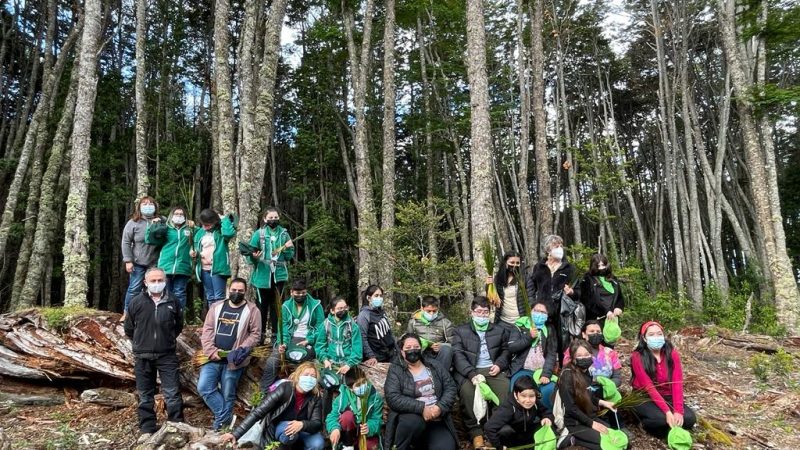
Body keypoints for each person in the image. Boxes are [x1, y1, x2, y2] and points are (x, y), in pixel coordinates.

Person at [123, 267, 184, 435]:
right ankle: (147, 428)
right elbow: (129, 328)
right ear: (145, 282)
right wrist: (140, 342)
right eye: (153, 281)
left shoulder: (173, 301)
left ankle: (176, 427)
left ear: (165, 281)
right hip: (142, 355)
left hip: (167, 355)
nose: (157, 284)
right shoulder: (136, 302)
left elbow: (178, 326)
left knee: (172, 392)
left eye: (160, 280)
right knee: (144, 394)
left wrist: (167, 340)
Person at [198, 278, 262, 430]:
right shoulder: (216, 307)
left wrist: (241, 350)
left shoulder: (252, 310)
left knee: (228, 393)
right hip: (213, 358)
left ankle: (220, 426)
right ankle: (225, 418)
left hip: (235, 360)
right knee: (204, 387)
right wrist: (211, 351)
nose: (236, 293)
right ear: (228, 289)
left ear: (245, 291)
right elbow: (207, 330)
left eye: (240, 291)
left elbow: (255, 334)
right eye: (233, 290)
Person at [221, 362, 324, 450]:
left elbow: (317, 423)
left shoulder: (315, 397)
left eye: (313, 376)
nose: (309, 378)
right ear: (298, 376)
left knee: (318, 443)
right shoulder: (284, 388)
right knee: (289, 433)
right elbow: (258, 412)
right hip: (280, 428)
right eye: (306, 374)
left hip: (302, 429)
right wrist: (235, 434)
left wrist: (302, 424)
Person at [451, 296, 511, 449]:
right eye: (479, 312)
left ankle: (494, 430)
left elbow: (505, 351)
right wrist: (471, 374)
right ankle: (476, 433)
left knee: (504, 388)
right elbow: (458, 355)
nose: (482, 316)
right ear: (471, 312)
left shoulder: (499, 330)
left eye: (485, 312)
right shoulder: (460, 331)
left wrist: (499, 364)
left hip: (492, 369)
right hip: (470, 371)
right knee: (467, 393)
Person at [384, 333, 458, 450]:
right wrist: (422, 408)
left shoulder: (434, 365)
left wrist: (439, 407)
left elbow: (450, 387)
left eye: (416, 347)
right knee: (412, 423)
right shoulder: (396, 369)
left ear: (421, 348)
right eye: (408, 348)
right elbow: (392, 397)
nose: (412, 350)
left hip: (436, 419)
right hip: (411, 418)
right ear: (402, 352)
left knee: (446, 447)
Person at [631, 321, 696, 440]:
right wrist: (667, 412)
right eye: (651, 335)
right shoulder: (637, 356)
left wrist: (678, 411)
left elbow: (677, 383)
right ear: (644, 338)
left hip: (667, 396)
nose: (656, 337)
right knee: (660, 419)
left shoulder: (672, 354)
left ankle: (667, 428)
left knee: (689, 418)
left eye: (659, 334)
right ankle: (643, 423)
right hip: (644, 397)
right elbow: (648, 387)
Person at [260, 280, 324, 391]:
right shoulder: (286, 306)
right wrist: (283, 343)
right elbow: (283, 328)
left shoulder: (316, 305)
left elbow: (321, 327)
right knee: (273, 361)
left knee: (302, 359)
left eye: (303, 293)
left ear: (306, 292)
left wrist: (309, 340)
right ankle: (264, 392)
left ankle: (299, 390)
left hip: (308, 339)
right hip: (290, 339)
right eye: (297, 293)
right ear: (291, 292)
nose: (300, 295)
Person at [556, 339, 619, 450]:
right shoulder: (567, 376)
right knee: (606, 446)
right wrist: (592, 424)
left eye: (586, 354)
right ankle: (571, 437)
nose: (584, 358)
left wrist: (604, 403)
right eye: (579, 355)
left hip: (589, 416)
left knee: (615, 438)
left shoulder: (587, 372)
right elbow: (571, 408)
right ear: (573, 358)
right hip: (575, 422)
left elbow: (589, 394)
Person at [525, 234, 575, 362]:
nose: (559, 248)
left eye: (560, 246)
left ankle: (564, 368)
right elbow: (531, 287)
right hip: (542, 311)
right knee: (545, 340)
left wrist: (572, 292)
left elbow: (578, 290)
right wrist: (533, 304)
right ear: (548, 250)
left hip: (562, 312)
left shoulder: (568, 268)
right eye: (555, 246)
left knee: (563, 341)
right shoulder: (539, 267)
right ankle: (545, 367)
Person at [248, 208, 295, 340]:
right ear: (265, 219)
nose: (273, 220)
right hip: (262, 276)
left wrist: (287, 248)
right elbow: (250, 254)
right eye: (270, 218)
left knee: (277, 306)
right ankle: (259, 336)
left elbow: (289, 255)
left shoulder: (284, 234)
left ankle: (276, 336)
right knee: (261, 306)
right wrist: (254, 256)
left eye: (275, 217)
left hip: (278, 275)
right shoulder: (259, 234)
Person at [507, 302, 558, 410]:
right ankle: (522, 419)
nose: (539, 314)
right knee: (520, 391)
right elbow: (512, 347)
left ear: (547, 315)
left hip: (541, 371)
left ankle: (546, 418)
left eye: (543, 312)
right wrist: (529, 337)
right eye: (536, 311)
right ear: (531, 311)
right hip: (522, 370)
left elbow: (551, 354)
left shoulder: (549, 329)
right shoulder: (520, 325)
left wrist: (546, 374)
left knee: (549, 390)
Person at [484, 376, 554, 449]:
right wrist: (499, 446)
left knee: (547, 425)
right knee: (505, 430)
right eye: (523, 396)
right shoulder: (508, 408)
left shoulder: (535, 403)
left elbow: (546, 411)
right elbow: (489, 427)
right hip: (511, 438)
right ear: (516, 394)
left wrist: (547, 418)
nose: (528, 400)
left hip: (526, 434)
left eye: (531, 396)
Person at [145, 207, 194, 309]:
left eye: (181, 214)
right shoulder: (165, 228)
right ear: (171, 216)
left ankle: (179, 316)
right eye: (176, 214)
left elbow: (200, 237)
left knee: (180, 292)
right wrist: (152, 226)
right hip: (166, 266)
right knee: (166, 292)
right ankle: (165, 315)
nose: (179, 216)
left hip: (183, 266)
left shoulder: (190, 229)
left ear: (185, 217)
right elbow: (149, 239)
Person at [121, 196, 163, 317]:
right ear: (139, 207)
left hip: (155, 263)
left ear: (155, 206)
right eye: (145, 204)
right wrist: (128, 260)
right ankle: (127, 313)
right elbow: (126, 242)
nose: (148, 206)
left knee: (155, 289)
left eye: (151, 204)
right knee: (134, 288)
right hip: (138, 262)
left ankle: (152, 314)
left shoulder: (162, 220)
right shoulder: (133, 222)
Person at [192, 208, 237, 309]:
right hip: (204, 268)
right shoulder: (200, 232)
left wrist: (224, 219)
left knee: (219, 297)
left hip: (218, 268)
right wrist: (194, 253)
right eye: (203, 224)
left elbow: (229, 233)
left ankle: (219, 321)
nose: (205, 227)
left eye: (207, 225)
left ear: (214, 222)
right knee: (210, 297)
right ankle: (212, 321)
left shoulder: (221, 232)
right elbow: (196, 246)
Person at [314, 296, 363, 386]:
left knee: (349, 385)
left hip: (348, 363)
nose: (343, 310)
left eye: (345, 308)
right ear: (332, 311)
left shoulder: (353, 326)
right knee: (327, 385)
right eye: (340, 308)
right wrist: (325, 359)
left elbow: (357, 350)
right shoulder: (325, 325)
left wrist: (349, 364)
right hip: (330, 363)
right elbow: (320, 345)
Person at [325, 378, 383, 450]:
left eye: (363, 383)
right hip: (348, 433)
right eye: (358, 385)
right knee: (347, 416)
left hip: (365, 434)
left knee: (372, 447)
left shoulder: (375, 398)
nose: (361, 386)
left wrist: (370, 427)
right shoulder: (342, 398)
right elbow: (332, 416)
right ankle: (347, 445)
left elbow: (377, 419)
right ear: (351, 388)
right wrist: (334, 428)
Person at [562, 321, 623, 387]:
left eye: (598, 331)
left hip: (607, 392)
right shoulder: (573, 350)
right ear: (584, 334)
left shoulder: (610, 352)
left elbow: (617, 378)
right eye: (592, 331)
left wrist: (605, 386)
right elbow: (567, 373)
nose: (595, 334)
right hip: (581, 391)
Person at [575, 254, 624, 328]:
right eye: (598, 266)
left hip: (612, 319)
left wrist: (619, 307)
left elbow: (620, 297)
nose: (601, 268)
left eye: (603, 265)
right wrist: (606, 311)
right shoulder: (587, 279)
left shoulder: (613, 279)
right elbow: (587, 301)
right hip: (594, 320)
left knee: (612, 338)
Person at [406, 295, 455, 370]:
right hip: (421, 352)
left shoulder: (445, 323)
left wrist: (441, 345)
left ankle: (442, 375)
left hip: (439, 354)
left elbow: (453, 342)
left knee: (447, 350)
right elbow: (408, 339)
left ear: (438, 309)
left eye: (434, 311)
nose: (431, 314)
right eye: (428, 311)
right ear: (422, 309)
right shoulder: (413, 322)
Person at [356, 285, 396, 365]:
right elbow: (362, 337)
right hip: (377, 358)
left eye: (381, 296)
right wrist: (371, 356)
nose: (379, 298)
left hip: (390, 354)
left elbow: (388, 332)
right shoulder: (364, 315)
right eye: (376, 295)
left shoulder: (381, 312)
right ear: (369, 298)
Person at [488, 251, 527, 328]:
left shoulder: (525, 278)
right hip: (503, 321)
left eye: (517, 263)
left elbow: (530, 297)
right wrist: (488, 285)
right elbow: (492, 299)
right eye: (512, 262)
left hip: (520, 321)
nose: (515, 265)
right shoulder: (498, 278)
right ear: (505, 262)